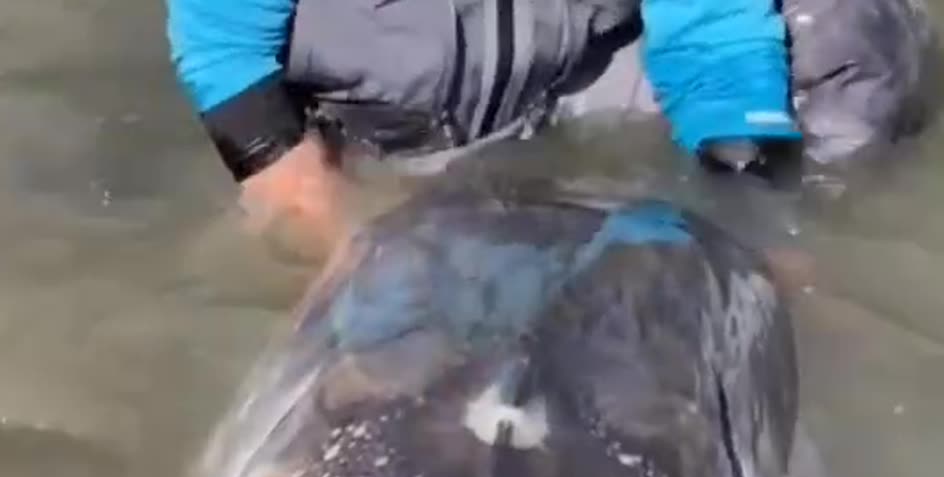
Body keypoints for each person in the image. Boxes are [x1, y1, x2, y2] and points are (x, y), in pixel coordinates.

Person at [165, 0, 806, 261]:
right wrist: (342, 251)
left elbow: (714, 27)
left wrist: (756, 220)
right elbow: (229, 57)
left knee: (839, 22)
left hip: (580, 78)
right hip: (377, 127)